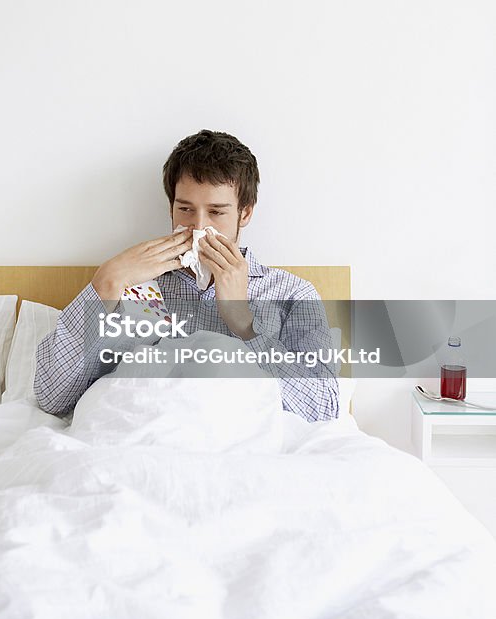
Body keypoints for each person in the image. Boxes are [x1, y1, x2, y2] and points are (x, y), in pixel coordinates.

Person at [34, 129, 339, 421]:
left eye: (217, 212)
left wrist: (245, 324)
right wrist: (106, 283)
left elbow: (324, 408)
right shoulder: (133, 287)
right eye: (185, 209)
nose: (198, 227)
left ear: (245, 213)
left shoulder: (291, 293)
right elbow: (52, 398)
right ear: (171, 209)